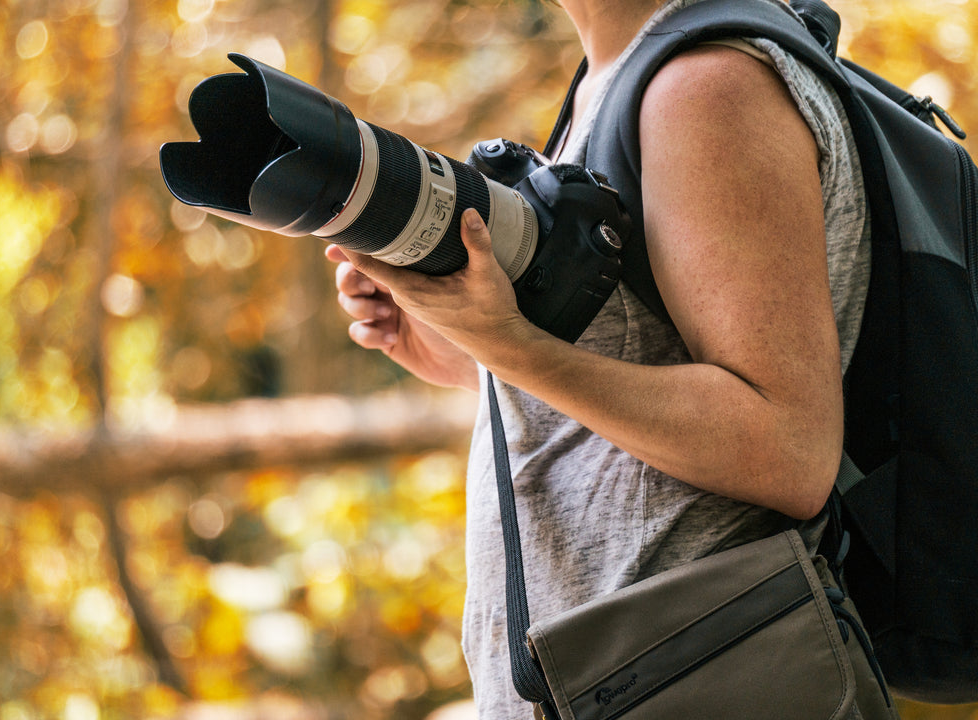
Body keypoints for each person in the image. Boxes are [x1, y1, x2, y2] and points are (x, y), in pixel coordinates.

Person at [326, 0, 884, 716]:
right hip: (627, 682)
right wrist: (465, 348)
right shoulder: (612, 80)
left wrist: (508, 346)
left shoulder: (706, 83)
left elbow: (786, 446)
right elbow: (633, 392)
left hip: (699, 679)